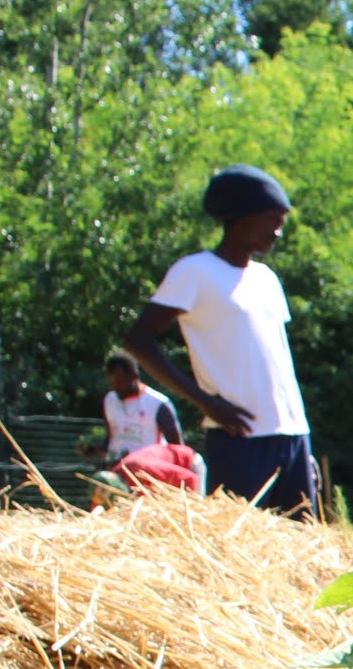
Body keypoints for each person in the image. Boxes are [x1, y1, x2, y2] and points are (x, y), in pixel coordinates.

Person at [123, 164, 319, 517]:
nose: (277, 232)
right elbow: (139, 340)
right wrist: (204, 402)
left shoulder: (266, 279)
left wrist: (299, 441)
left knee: (303, 554)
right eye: (272, 220)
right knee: (241, 555)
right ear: (243, 217)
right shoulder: (195, 271)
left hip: (291, 435)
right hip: (239, 437)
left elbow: (275, 362)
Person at [90, 352, 182, 468]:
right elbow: (112, 437)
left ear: (134, 375)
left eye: (119, 382)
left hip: (147, 473)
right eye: (112, 382)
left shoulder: (158, 403)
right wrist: (95, 450)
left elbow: (177, 448)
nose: (115, 387)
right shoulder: (110, 400)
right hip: (115, 473)